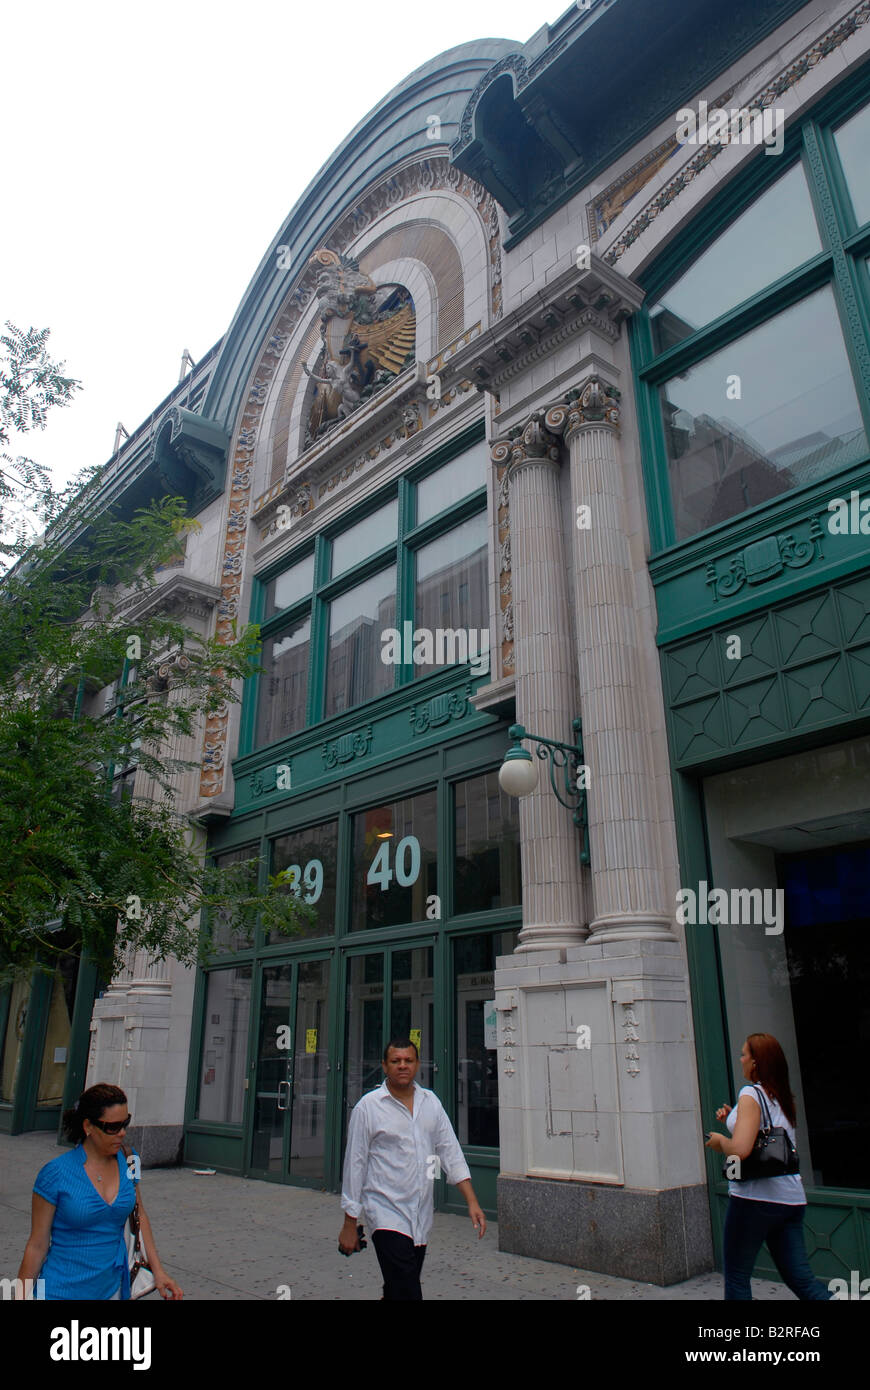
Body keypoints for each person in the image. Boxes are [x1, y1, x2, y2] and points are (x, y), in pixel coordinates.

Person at [339, 1038, 486, 1299]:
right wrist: (350, 1221)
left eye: (408, 1060)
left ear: (418, 1064)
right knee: (408, 1291)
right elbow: (355, 1163)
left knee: (399, 1288)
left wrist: (471, 1201)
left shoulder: (431, 1102)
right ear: (385, 1066)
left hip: (420, 1215)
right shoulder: (368, 1107)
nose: (402, 1066)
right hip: (385, 1212)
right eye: (395, 1061)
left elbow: (449, 1150)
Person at [15, 1082, 183, 1300]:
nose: (122, 1133)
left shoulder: (130, 1160)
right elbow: (37, 1245)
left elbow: (140, 1214)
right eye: (112, 1127)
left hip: (112, 1290)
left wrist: (158, 1271)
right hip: (60, 1292)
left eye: (125, 1123)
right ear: (88, 1127)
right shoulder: (55, 1174)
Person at [705, 1033, 831, 1301]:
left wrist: (720, 1142)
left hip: (753, 1199)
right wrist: (732, 1117)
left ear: (755, 1063)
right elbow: (767, 1134)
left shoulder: (750, 1093)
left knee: (737, 1278)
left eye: (744, 1055)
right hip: (790, 1200)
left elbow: (740, 1149)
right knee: (803, 1281)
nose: (740, 1060)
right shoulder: (783, 1097)